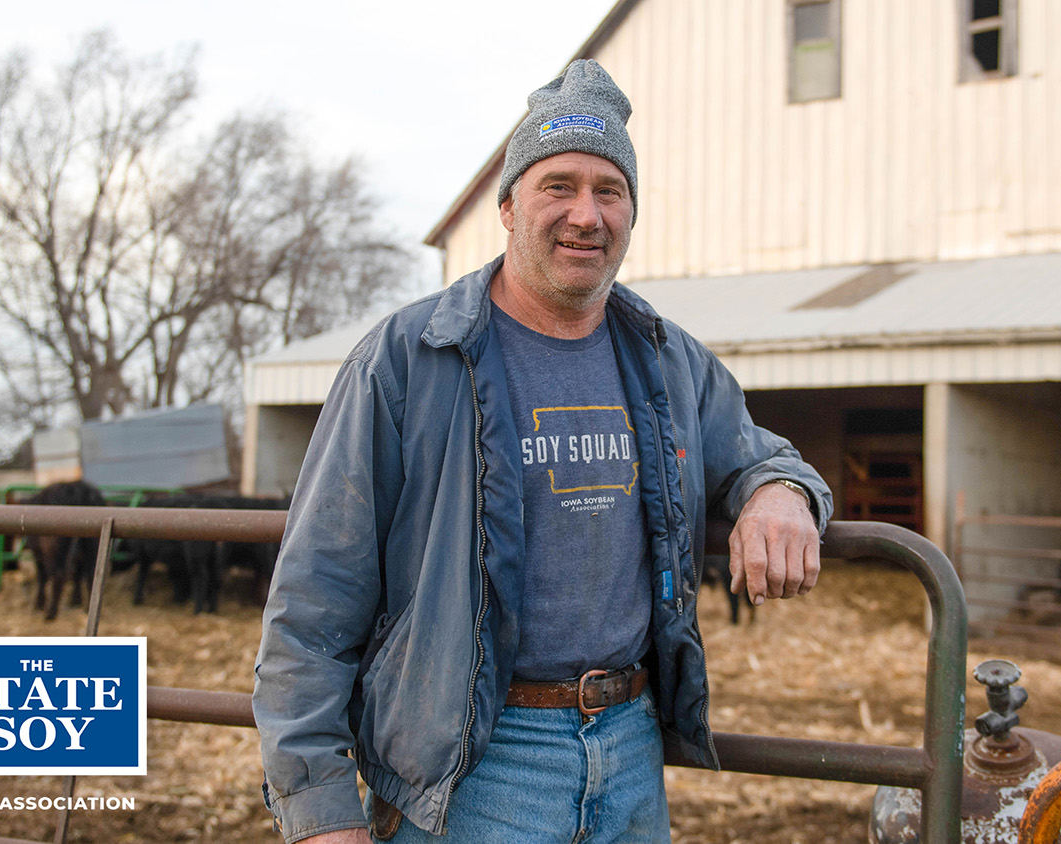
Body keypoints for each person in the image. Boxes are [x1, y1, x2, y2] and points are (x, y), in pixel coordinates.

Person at [254, 59, 832, 844]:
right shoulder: (410, 359)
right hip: (474, 763)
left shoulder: (667, 358)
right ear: (506, 205)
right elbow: (314, 600)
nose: (585, 215)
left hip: (630, 747)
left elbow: (763, 452)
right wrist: (320, 811)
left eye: (609, 190)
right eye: (558, 186)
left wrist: (779, 492)